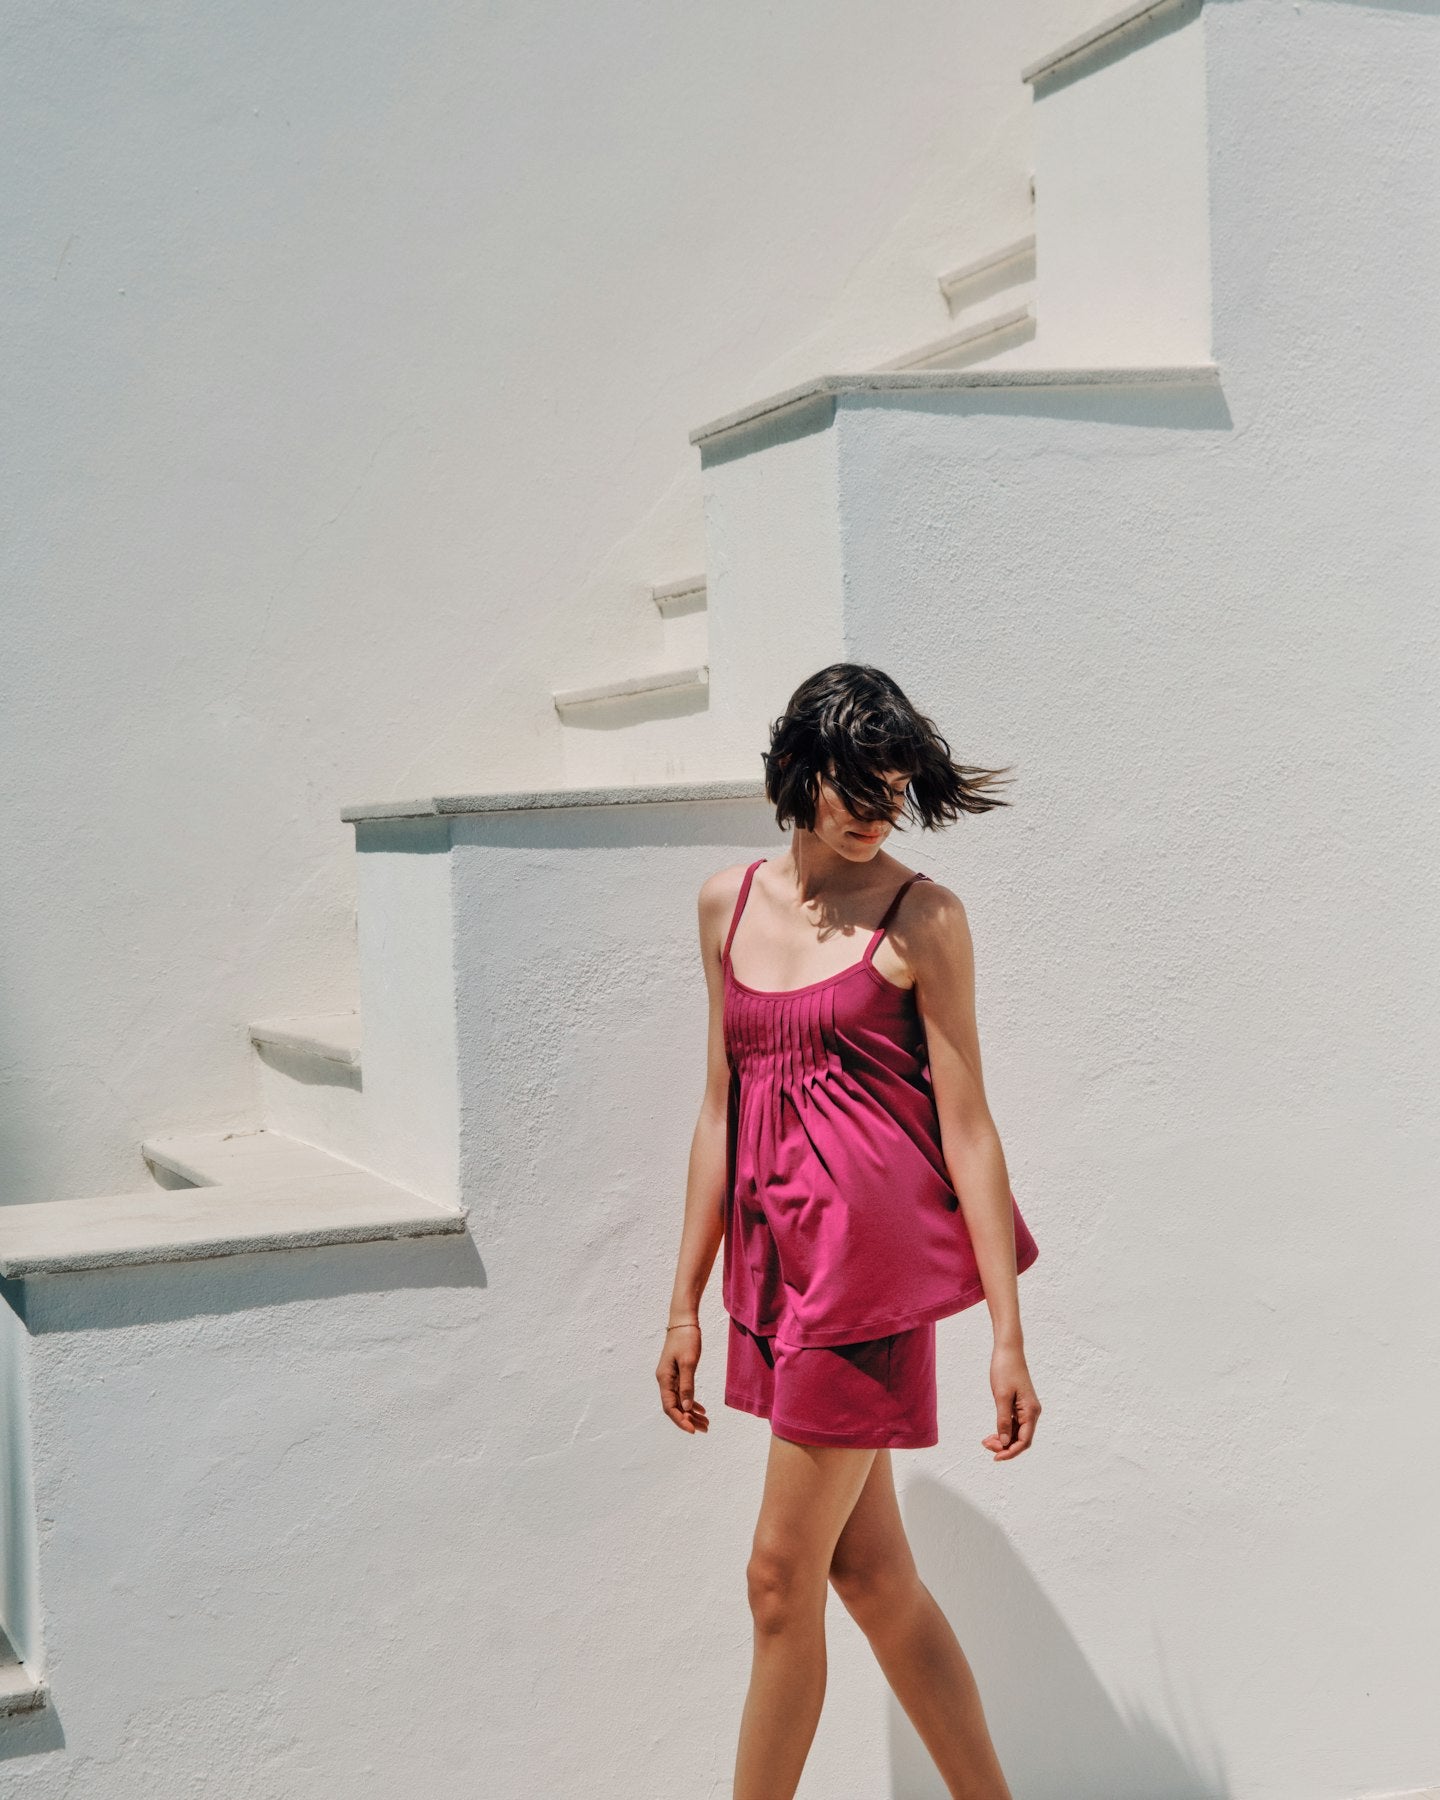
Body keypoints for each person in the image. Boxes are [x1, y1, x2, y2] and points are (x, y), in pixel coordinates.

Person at [655, 661, 1042, 1800]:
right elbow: (720, 1109)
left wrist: (1007, 1337)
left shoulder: (925, 917)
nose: (875, 815)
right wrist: (685, 1299)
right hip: (777, 1276)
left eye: (892, 792)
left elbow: (968, 1128)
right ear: (801, 777)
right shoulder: (725, 904)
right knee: (871, 1580)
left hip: (865, 1283)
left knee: (779, 1581)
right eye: (853, 789)